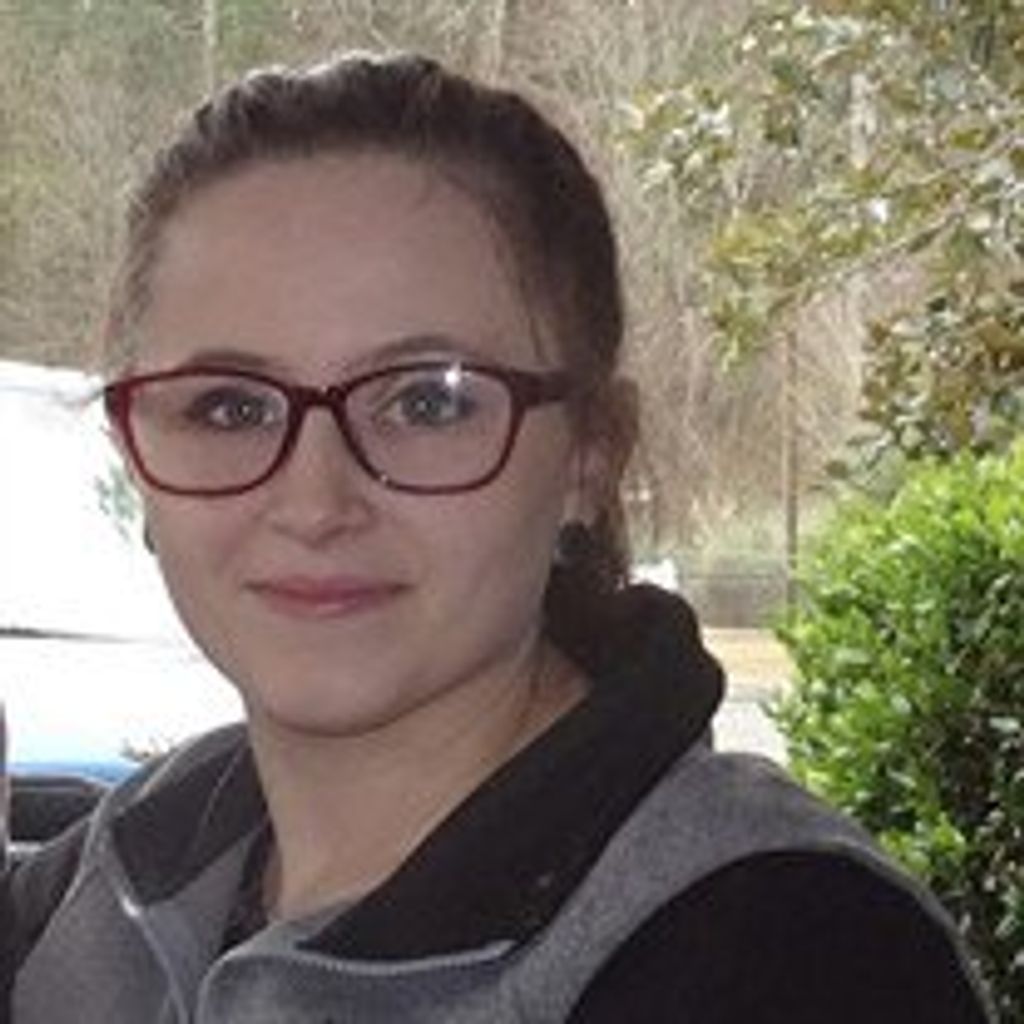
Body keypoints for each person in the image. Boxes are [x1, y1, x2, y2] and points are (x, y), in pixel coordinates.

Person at [4, 53, 991, 1023]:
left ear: (590, 455)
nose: (313, 501)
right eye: (229, 407)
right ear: (133, 452)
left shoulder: (788, 953)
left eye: (427, 402)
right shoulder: (146, 856)